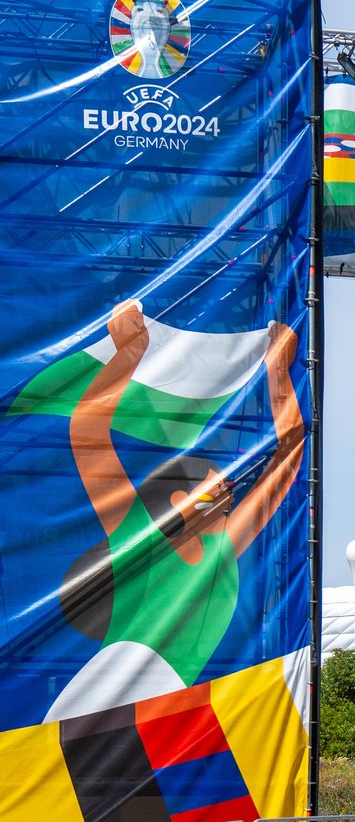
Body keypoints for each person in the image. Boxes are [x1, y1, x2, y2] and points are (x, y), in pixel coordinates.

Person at [50, 300, 303, 719]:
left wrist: (278, 372)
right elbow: (87, 431)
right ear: (175, 498)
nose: (226, 482)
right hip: (99, 717)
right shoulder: (142, 538)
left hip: (161, 715)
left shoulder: (220, 552)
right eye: (210, 476)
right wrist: (130, 351)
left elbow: (288, 456)